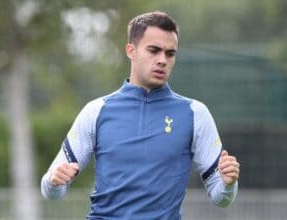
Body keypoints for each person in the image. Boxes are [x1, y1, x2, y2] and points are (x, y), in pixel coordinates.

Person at [41, 11, 240, 219]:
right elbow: (51, 191)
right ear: (131, 50)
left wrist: (228, 183)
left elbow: (222, 198)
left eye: (170, 53)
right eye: (154, 50)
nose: (162, 60)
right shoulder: (96, 111)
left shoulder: (195, 114)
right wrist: (54, 182)